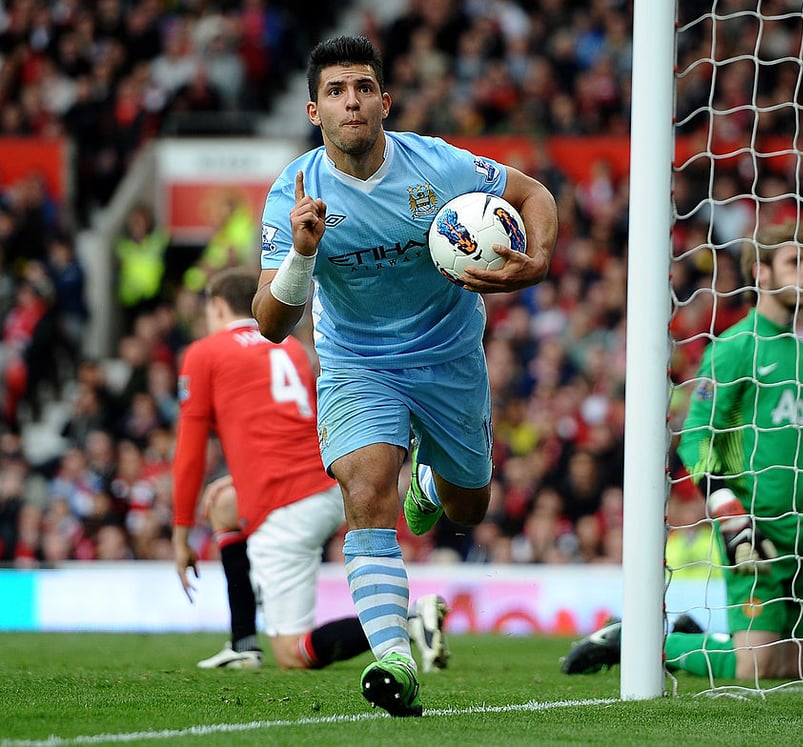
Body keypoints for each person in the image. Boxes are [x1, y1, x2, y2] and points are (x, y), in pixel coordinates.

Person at [251, 36, 558, 716]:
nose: (351, 101)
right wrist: (302, 254)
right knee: (364, 485)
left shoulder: (439, 165)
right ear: (313, 110)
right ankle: (392, 653)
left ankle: (429, 479)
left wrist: (535, 262)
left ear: (384, 102)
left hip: (449, 355)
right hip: (358, 360)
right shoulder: (294, 194)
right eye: (335, 91)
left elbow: (532, 193)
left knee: (466, 508)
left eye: (362, 87)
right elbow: (271, 322)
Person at [561, 222, 803, 680]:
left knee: (800, 669)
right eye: (793, 263)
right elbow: (696, 439)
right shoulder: (735, 347)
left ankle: (688, 634)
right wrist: (732, 517)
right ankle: (639, 639)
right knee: (753, 668)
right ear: (762, 273)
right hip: (755, 527)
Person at [171, 267, 450, 673]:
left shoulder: (205, 352)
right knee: (225, 504)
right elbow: (292, 426)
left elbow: (190, 452)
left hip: (286, 505)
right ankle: (243, 643)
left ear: (216, 307)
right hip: (328, 482)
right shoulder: (290, 348)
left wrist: (180, 534)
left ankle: (406, 622)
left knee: (291, 654)